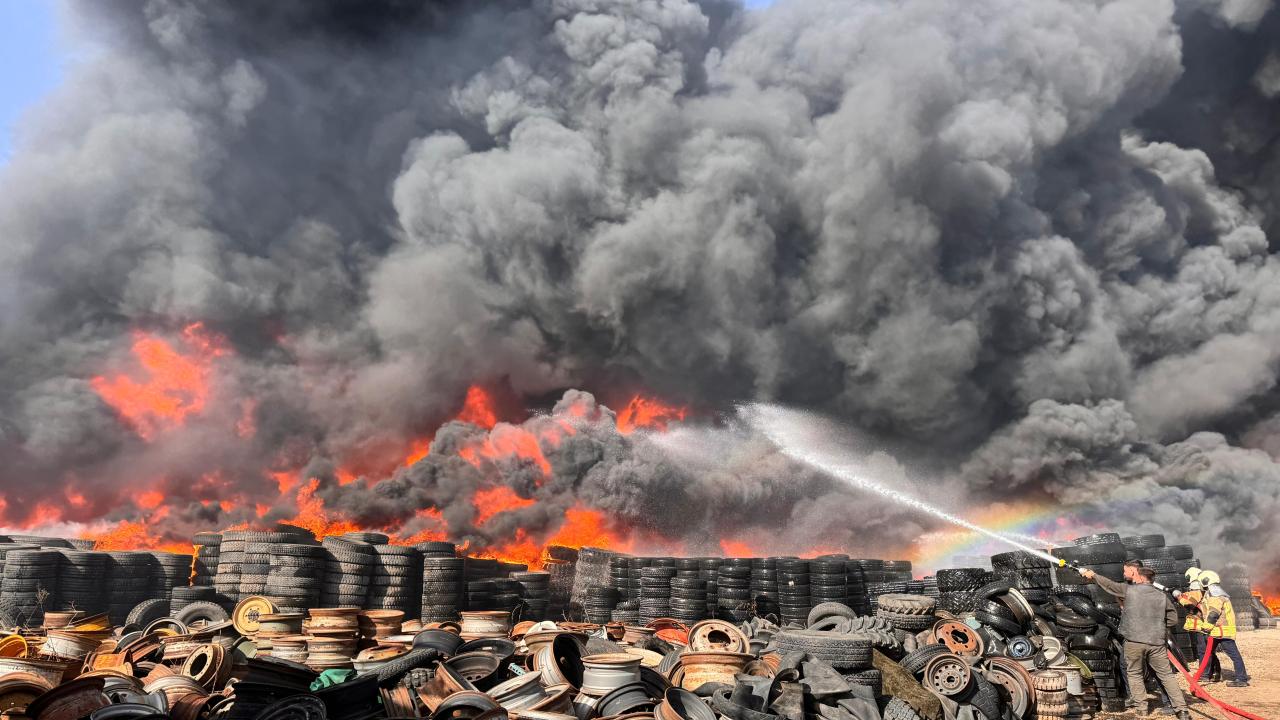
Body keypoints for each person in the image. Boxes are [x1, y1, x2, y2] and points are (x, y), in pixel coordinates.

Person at [1081, 566, 1190, 720]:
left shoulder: (1129, 591)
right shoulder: (1161, 596)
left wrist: (1094, 575)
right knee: (1166, 675)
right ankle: (1182, 710)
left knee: (1134, 673)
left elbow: (1110, 585)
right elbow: (1172, 619)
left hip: (1134, 641)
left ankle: (1142, 708)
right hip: (1156, 642)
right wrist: (1158, 626)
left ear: (1140, 578)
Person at [1197, 570, 1250, 687]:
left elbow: (1213, 613)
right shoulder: (1216, 593)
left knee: (1234, 655)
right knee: (1208, 653)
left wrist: (1206, 627)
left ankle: (1241, 679)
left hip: (1222, 632)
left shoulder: (1215, 595)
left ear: (1205, 581)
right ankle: (1205, 675)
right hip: (1217, 631)